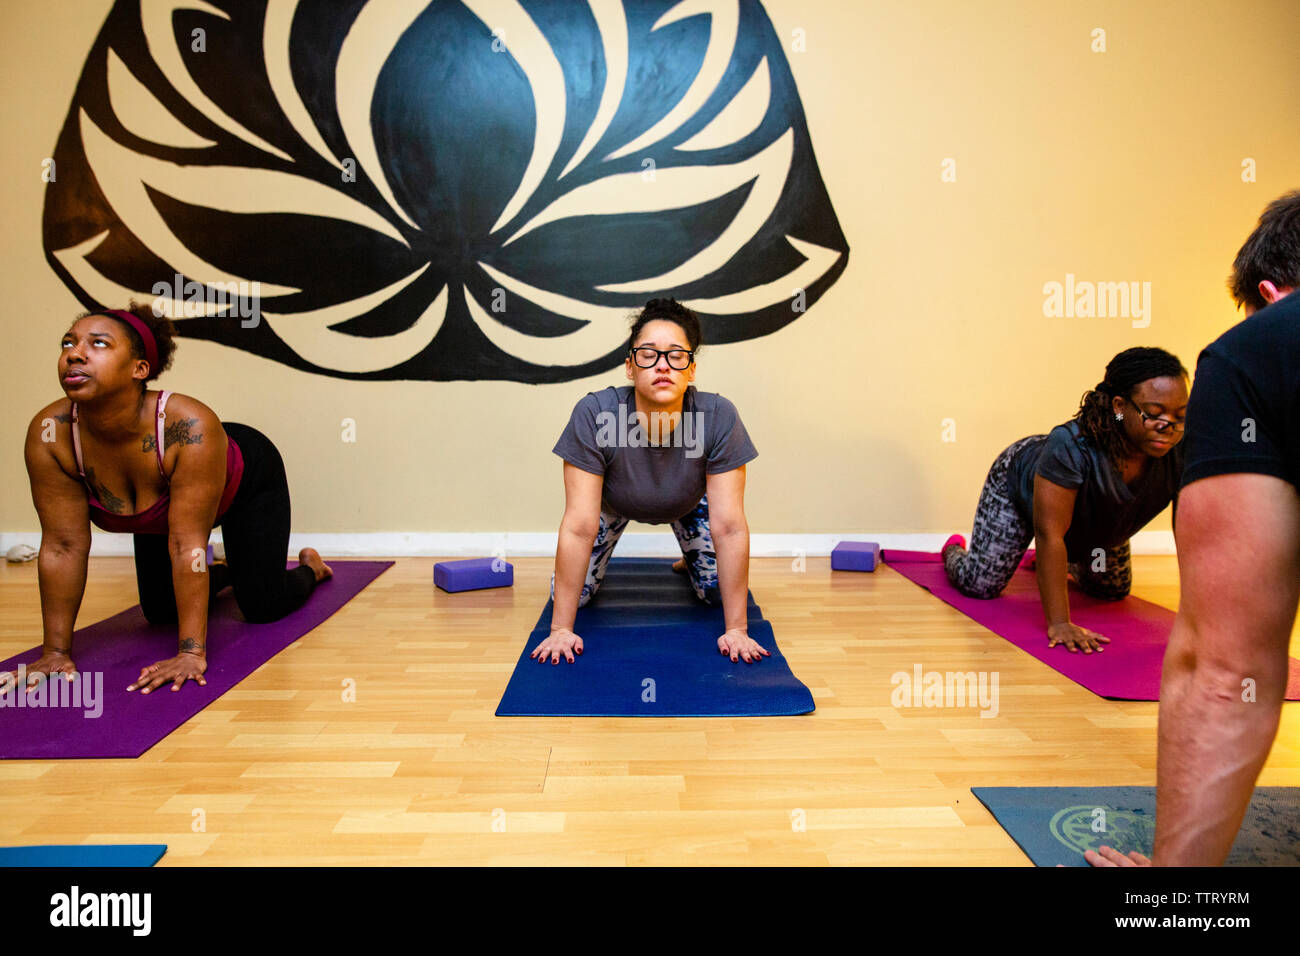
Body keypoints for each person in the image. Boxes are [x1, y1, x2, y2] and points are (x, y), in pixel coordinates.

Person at [1089, 191, 1300, 866]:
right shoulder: (1067, 453)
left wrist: (1178, 898)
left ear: (1270, 293)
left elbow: (1227, 665)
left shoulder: (1254, 353)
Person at [3, 304, 331, 698]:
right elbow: (63, 545)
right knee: (160, 612)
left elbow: (185, 545)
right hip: (164, 509)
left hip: (245, 479)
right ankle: (226, 571)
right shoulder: (51, 434)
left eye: (99, 343)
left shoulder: (186, 425)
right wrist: (55, 652)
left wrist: (190, 653)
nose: (75, 353)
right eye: (68, 343)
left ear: (139, 369)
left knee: (262, 605)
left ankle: (312, 568)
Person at [533, 298, 765, 665]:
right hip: (612, 502)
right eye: (648, 355)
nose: (662, 365)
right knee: (574, 596)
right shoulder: (595, 413)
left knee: (714, 593)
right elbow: (578, 526)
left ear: (691, 369)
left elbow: (730, 528)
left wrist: (737, 630)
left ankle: (690, 559)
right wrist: (561, 629)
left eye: (676, 356)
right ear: (629, 366)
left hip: (689, 502)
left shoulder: (719, 416)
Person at [943, 348, 1188, 654]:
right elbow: (1049, 533)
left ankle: (1059, 562)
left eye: (1180, 414)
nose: (1169, 425)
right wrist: (1059, 623)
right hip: (1019, 487)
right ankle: (953, 550)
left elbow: (1191, 535)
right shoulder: (1071, 446)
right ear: (1120, 407)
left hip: (1097, 522)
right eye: (1154, 413)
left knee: (1111, 590)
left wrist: (1197, 622)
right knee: (979, 585)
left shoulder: (1182, 450)